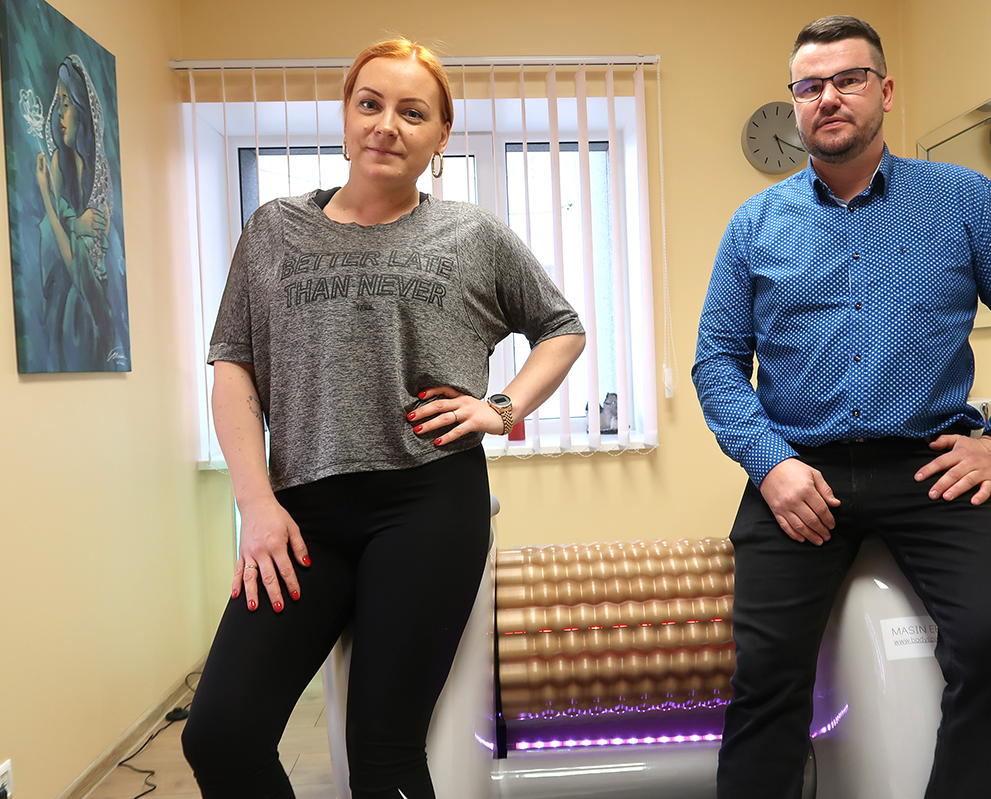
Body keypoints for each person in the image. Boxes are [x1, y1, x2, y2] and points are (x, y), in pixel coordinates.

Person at [181, 39, 585, 799]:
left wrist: (501, 408)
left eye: (413, 112)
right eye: (370, 103)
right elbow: (233, 365)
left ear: (440, 137)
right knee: (221, 734)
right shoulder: (273, 229)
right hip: (298, 509)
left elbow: (561, 328)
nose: (387, 125)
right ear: (345, 116)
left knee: (383, 751)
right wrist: (254, 504)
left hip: (427, 500)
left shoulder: (472, 234)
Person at [692, 15, 991, 799]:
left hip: (929, 467)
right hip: (799, 472)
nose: (828, 97)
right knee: (765, 677)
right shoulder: (754, 225)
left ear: (886, 90)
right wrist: (770, 465)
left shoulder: (963, 199)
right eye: (809, 85)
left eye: (848, 79)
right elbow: (718, 363)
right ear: (795, 102)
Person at [34, 56, 120, 370]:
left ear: (83, 110)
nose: (60, 113)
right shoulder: (60, 162)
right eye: (58, 103)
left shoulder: (101, 197)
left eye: (67, 104)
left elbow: (80, 274)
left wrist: (47, 197)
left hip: (88, 327)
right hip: (60, 315)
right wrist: (72, 223)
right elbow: (57, 230)